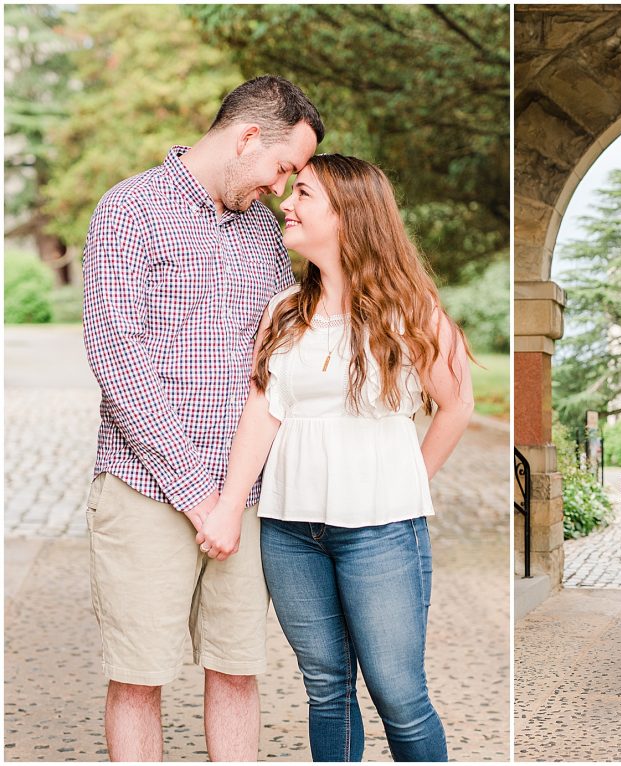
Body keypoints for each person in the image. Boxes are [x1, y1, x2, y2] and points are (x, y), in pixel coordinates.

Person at [195, 154, 475, 762]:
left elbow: (457, 405)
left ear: (349, 215)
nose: (286, 204)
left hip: (381, 533)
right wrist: (226, 508)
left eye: (303, 194)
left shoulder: (411, 311)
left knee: (399, 695)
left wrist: (410, 477)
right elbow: (261, 415)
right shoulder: (284, 311)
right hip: (291, 533)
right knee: (326, 691)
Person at [82, 75, 323, 761]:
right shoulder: (130, 210)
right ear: (248, 138)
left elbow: (277, 357)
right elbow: (116, 355)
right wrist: (197, 496)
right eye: (283, 168)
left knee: (237, 669)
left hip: (245, 498)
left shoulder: (260, 233)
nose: (281, 189)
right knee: (138, 677)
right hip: (145, 490)